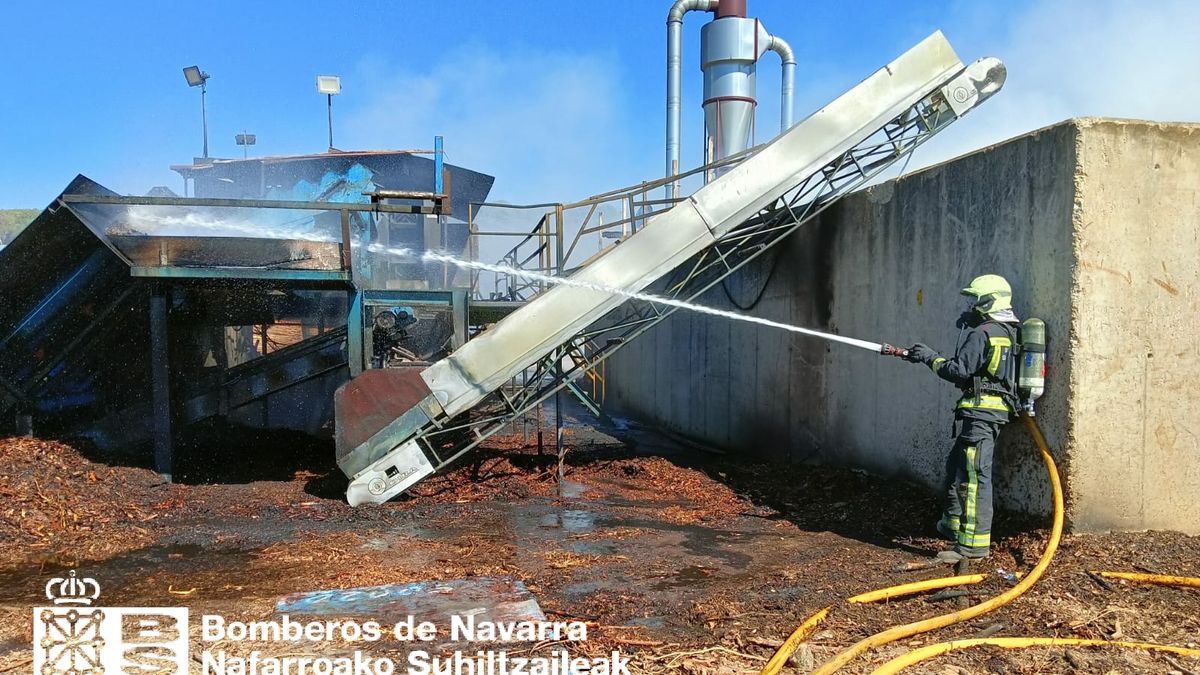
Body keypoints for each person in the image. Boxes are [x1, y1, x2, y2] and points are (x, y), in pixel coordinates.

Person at [906, 274, 1020, 562]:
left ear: (988, 300)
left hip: (980, 415)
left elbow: (958, 371)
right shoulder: (1007, 332)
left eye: (976, 300)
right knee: (956, 468)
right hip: (989, 413)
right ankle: (951, 525)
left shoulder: (983, 334)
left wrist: (929, 357)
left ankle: (972, 547)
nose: (972, 305)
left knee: (973, 478)